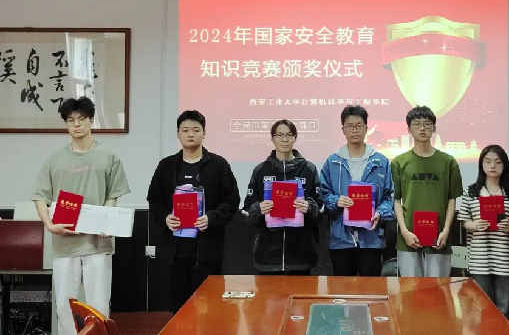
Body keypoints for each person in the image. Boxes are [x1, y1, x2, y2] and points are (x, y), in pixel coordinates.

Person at [32, 97, 131, 335]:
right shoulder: (54, 160)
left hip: (98, 242)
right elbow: (39, 196)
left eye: (81, 118)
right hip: (64, 243)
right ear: (66, 124)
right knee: (64, 306)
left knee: (99, 305)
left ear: (91, 120)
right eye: (71, 120)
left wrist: (106, 220)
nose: (76, 124)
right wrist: (50, 225)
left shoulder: (108, 156)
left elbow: (113, 193)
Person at [147, 110, 240, 312]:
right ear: (178, 134)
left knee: (209, 307)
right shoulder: (166, 166)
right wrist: (165, 218)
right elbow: (154, 201)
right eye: (185, 130)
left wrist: (211, 218)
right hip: (175, 251)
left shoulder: (218, 165)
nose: (191, 134)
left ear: (204, 133)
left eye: (196, 130)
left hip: (208, 250)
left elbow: (232, 201)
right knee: (179, 307)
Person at [320, 105, 394, 276]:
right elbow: (323, 195)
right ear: (343, 130)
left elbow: (389, 196)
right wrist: (336, 201)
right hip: (341, 239)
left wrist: (380, 213)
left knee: (371, 288)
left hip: (371, 238)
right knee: (342, 289)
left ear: (366, 128)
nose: (354, 130)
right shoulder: (333, 162)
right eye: (350, 126)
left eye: (359, 125)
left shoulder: (381, 161)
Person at [458, 145, 509, 322]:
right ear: (481, 164)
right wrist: (475, 225)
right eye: (488, 161)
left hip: (506, 259)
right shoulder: (471, 192)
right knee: (481, 308)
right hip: (479, 259)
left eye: (498, 162)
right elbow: (464, 221)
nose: (492, 166)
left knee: (504, 310)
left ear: (505, 165)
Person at [243, 119, 324, 275]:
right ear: (272, 138)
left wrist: (309, 207)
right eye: (279, 135)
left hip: (301, 256)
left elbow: (321, 207)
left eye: (289, 135)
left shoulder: (309, 169)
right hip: (267, 256)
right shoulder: (260, 170)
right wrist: (259, 208)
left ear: (295, 138)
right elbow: (247, 211)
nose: (284, 139)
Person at [392, 106, 463, 277]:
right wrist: (404, 232)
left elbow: (451, 199)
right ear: (409, 129)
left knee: (438, 289)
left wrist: (446, 231)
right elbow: (396, 200)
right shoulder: (399, 162)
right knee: (410, 289)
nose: (422, 128)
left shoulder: (448, 162)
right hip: (408, 238)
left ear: (434, 127)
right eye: (417, 124)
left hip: (439, 237)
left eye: (427, 124)